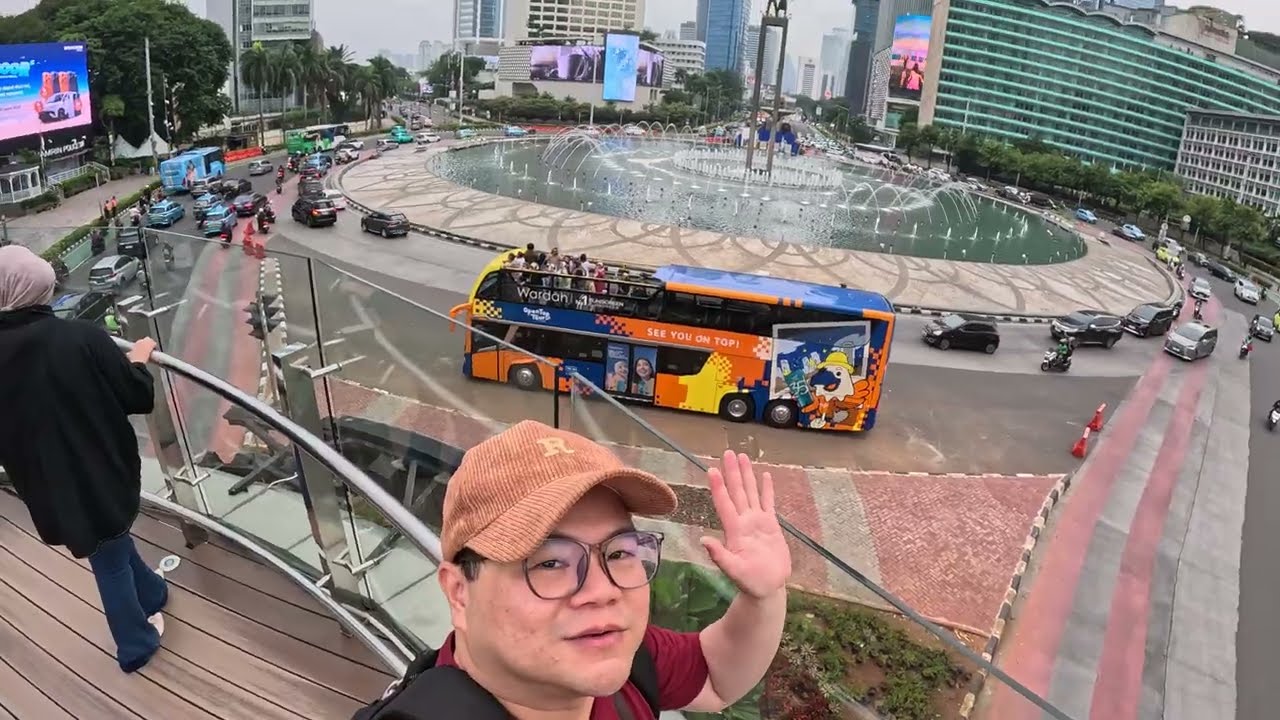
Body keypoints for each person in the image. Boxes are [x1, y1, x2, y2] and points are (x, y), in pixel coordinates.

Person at [358, 421, 790, 718]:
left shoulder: (623, 656)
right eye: (549, 563)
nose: (602, 591)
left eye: (619, 552)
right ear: (459, 592)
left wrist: (764, 596)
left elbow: (715, 678)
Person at [0, 245, 167, 673]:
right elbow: (137, 394)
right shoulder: (80, 337)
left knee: (107, 538)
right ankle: (135, 645)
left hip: (40, 478)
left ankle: (152, 594)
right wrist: (138, 357)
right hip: (96, 467)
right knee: (108, 556)